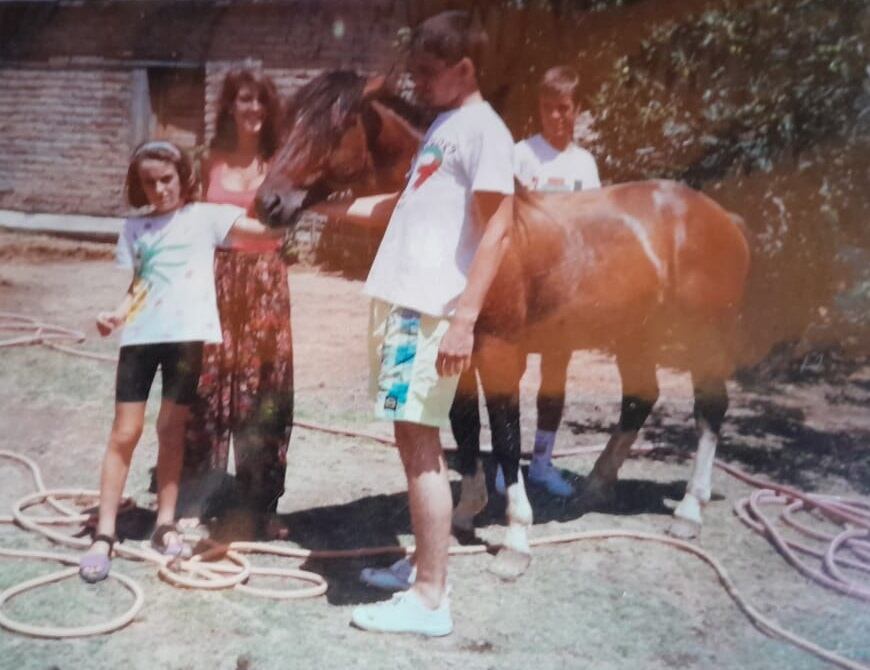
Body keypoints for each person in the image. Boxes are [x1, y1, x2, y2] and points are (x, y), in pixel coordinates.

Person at [314, 11, 514, 636]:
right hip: (402, 304)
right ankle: (421, 570)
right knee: (411, 441)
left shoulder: (485, 131)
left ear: (465, 69)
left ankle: (431, 599)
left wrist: (464, 322)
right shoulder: (445, 127)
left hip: (430, 312)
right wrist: (316, 206)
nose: (419, 84)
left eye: (429, 74)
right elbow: (400, 212)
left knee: (423, 449)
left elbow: (499, 229)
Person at [79, 140, 283, 583]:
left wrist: (293, 207)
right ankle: (105, 533)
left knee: (171, 432)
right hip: (140, 340)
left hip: (185, 344)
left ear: (183, 178)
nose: (159, 190)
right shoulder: (135, 229)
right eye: (149, 182)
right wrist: (117, 314)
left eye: (166, 180)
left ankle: (165, 523)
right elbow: (139, 286)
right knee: (125, 433)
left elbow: (268, 233)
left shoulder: (205, 217)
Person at [180, 68, 293, 540]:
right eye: (244, 100)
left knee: (265, 394)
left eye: (261, 101)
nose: (253, 109)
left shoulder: (281, 163)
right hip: (215, 280)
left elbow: (287, 224)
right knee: (206, 395)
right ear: (229, 106)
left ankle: (261, 506)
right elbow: (188, 220)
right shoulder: (207, 161)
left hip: (266, 283)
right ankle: (195, 501)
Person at [496, 65, 602, 496]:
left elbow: (593, 229)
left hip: (564, 293)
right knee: (510, 372)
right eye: (547, 108)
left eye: (563, 109)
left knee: (555, 374)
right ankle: (506, 465)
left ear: (576, 109)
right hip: (524, 288)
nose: (555, 117)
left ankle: (542, 462)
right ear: (538, 109)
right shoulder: (521, 155)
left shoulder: (584, 164)